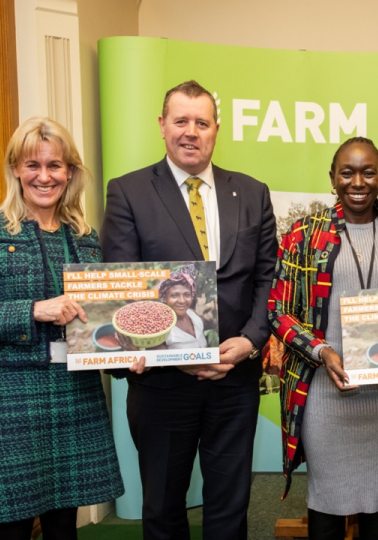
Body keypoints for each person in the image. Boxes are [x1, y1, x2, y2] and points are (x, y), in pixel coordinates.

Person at [100, 80, 277, 540]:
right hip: (161, 384)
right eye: (181, 121)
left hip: (234, 380)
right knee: (162, 508)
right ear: (162, 126)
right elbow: (122, 285)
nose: (191, 132)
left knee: (229, 507)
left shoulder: (253, 193)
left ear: (216, 129)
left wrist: (250, 341)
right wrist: (178, 356)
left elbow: (267, 278)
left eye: (202, 122)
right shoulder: (129, 192)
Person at [268, 137, 378, 540]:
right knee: (326, 503)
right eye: (347, 172)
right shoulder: (304, 234)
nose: (358, 181)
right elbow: (277, 310)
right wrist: (321, 351)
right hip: (324, 393)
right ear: (332, 179)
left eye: (368, 171)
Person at [0, 117, 123, 539]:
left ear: (70, 172)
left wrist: (132, 354)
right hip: (10, 397)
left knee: (65, 522)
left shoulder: (85, 237)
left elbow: (102, 319)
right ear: (14, 168)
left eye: (55, 166)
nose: (44, 177)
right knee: (12, 523)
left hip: (74, 391)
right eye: (33, 165)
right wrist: (34, 310)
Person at [159, 264, 208, 349]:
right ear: (164, 298)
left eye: (187, 295)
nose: (182, 301)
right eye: (174, 296)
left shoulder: (193, 315)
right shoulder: (161, 328)